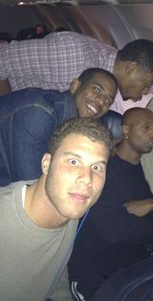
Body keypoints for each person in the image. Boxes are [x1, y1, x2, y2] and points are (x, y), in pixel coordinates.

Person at [68, 107, 153, 300]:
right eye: (146, 127)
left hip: (140, 262)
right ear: (125, 130)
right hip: (97, 270)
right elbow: (116, 232)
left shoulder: (150, 168)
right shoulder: (104, 170)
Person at [0, 117, 113, 301]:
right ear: (46, 164)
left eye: (96, 167)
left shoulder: (71, 207)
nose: (87, 179)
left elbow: (55, 271)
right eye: (74, 162)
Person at [0, 32, 153, 119]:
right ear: (131, 68)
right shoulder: (73, 54)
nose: (147, 91)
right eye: (146, 85)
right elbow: (4, 59)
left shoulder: (117, 70)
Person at [0, 67, 118, 186]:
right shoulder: (40, 112)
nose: (101, 101)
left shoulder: (76, 123)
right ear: (75, 86)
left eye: (108, 101)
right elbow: (30, 186)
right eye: (97, 90)